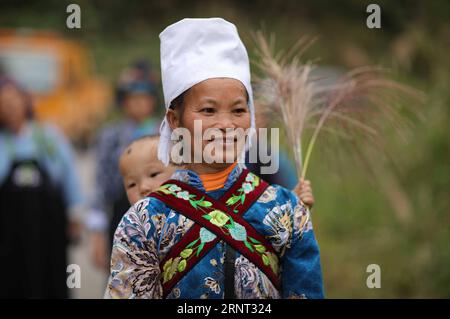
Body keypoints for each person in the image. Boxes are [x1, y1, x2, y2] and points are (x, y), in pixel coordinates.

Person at [105, 18, 323, 299]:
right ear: (175, 119)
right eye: (208, 110)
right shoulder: (145, 221)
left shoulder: (287, 212)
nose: (226, 124)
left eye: (238, 110)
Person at [0, 76, 84, 298]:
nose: (10, 107)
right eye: (3, 103)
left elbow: (68, 174)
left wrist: (75, 213)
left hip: (49, 227)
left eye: (13, 101)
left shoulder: (47, 136)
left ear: (25, 102)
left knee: (51, 279)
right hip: (9, 232)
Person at [87, 60, 162, 269]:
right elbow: (100, 185)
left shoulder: (166, 133)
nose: (138, 103)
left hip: (161, 216)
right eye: (132, 97)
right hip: (120, 214)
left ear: (153, 100)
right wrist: (97, 234)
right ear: (123, 101)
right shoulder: (110, 136)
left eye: (143, 97)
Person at [119, 135, 176, 205]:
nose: (143, 187)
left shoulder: (190, 210)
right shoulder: (133, 215)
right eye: (132, 184)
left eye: (153, 174)